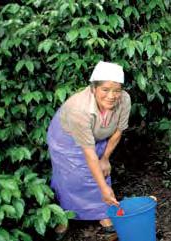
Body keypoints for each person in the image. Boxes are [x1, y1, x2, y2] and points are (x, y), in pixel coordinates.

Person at [47, 61, 131, 239]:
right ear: (94, 88)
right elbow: (89, 154)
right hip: (66, 139)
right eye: (105, 89)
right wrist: (103, 188)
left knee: (101, 170)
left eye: (116, 90)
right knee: (70, 177)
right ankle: (65, 215)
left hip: (98, 137)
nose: (112, 95)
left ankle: (102, 214)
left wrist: (106, 158)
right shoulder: (78, 108)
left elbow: (118, 131)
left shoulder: (124, 99)